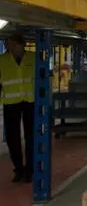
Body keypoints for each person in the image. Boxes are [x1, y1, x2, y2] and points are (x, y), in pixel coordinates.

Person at [0, 34, 34, 182]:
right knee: (12, 138)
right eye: (8, 44)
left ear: (22, 45)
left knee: (31, 137)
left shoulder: (33, 58)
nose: (10, 47)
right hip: (11, 103)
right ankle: (19, 169)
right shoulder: (1, 60)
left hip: (30, 102)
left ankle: (30, 170)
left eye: (13, 44)